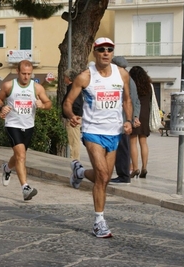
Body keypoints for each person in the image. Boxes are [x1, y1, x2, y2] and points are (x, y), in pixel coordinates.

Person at [63, 37, 133, 238]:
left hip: (114, 132)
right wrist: (71, 116)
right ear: (95, 52)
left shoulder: (122, 74)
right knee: (102, 175)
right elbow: (68, 102)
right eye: (101, 49)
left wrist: (129, 120)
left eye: (109, 49)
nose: (106, 53)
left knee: (105, 178)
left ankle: (80, 172)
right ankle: (99, 221)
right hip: (92, 131)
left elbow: (127, 99)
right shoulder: (85, 77)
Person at [0, 60, 52, 201]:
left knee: (18, 155)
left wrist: (42, 106)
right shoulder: (9, 85)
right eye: (23, 73)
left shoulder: (37, 87)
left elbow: (48, 103)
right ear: (17, 72)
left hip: (28, 126)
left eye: (29, 74)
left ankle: (7, 168)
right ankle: (25, 188)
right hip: (12, 124)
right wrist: (3, 107)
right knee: (21, 156)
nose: (26, 77)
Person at [110, 56, 141, 184]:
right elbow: (137, 101)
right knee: (122, 147)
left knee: (122, 149)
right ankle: (123, 174)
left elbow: (130, 100)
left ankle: (123, 176)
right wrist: (135, 117)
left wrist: (130, 118)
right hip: (125, 119)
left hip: (121, 119)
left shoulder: (123, 79)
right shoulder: (130, 79)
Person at [129, 66, 152, 179]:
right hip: (145, 115)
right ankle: (144, 167)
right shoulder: (149, 86)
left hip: (135, 114)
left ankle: (135, 168)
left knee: (133, 143)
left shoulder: (132, 86)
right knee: (143, 142)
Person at [63, 68, 83, 160]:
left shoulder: (72, 89)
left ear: (69, 78)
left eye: (65, 77)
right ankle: (75, 159)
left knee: (74, 141)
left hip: (74, 118)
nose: (64, 79)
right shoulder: (73, 88)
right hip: (74, 117)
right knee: (73, 140)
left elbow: (76, 103)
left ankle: (75, 160)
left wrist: (73, 115)